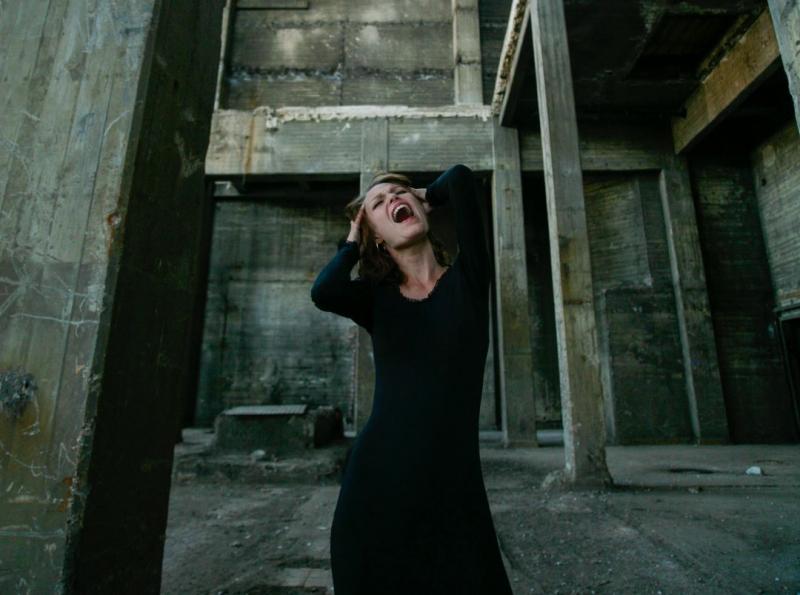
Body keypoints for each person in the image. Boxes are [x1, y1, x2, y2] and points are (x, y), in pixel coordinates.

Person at [310, 164, 513, 594]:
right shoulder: (375, 300)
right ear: (376, 237)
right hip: (376, 485)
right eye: (378, 204)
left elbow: (460, 179)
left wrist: (425, 194)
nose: (393, 201)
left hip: (454, 487)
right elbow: (324, 291)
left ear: (422, 206)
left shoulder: (468, 279)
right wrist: (353, 241)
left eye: (399, 194)